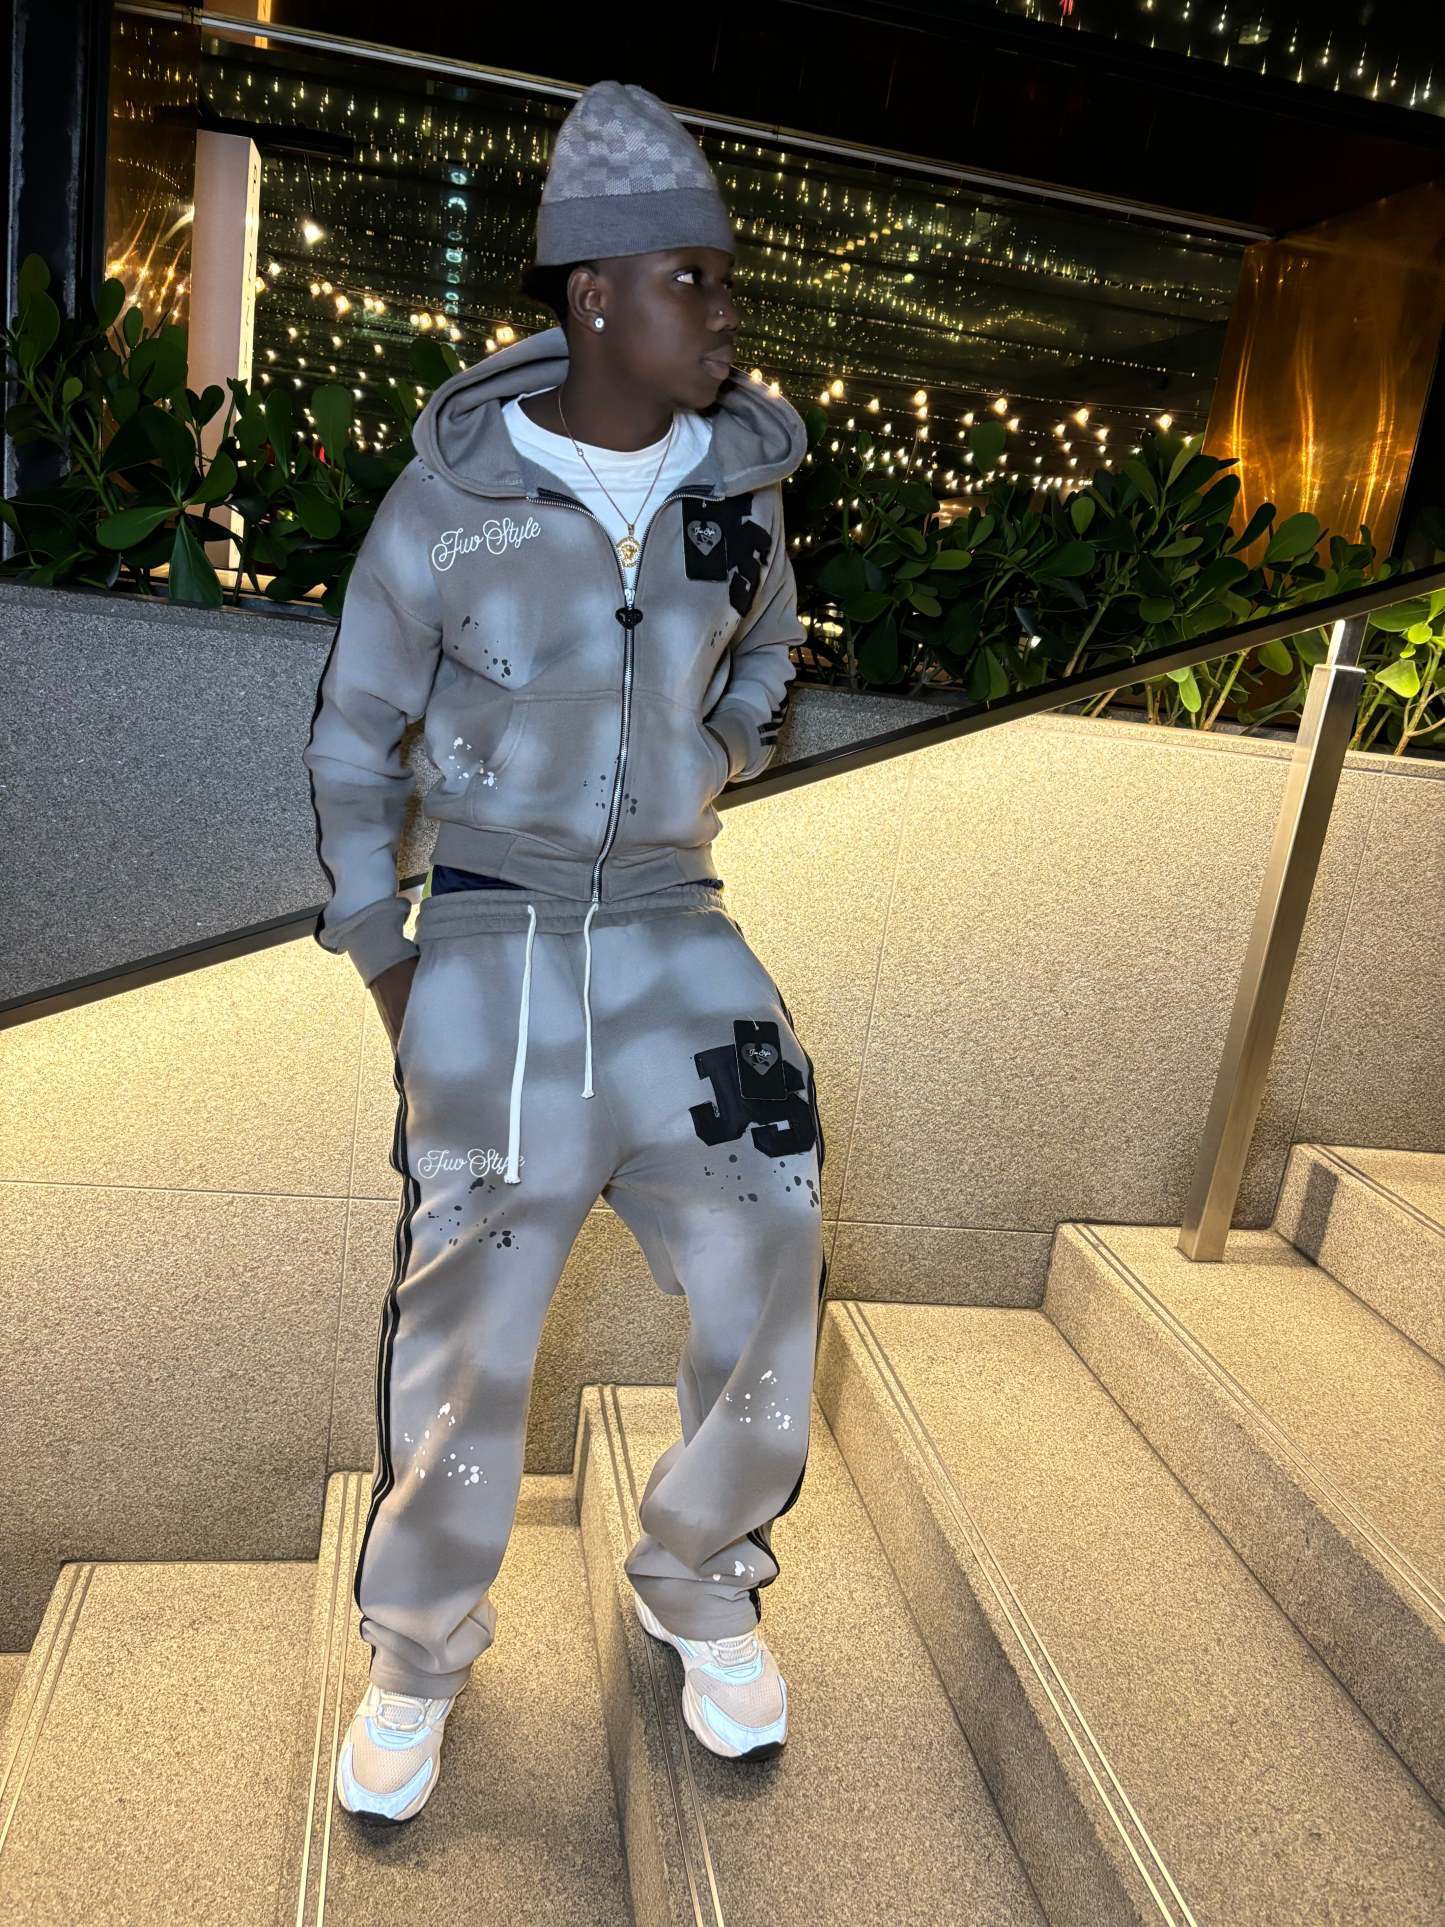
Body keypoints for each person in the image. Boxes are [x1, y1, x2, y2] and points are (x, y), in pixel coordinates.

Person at [302, 78, 828, 1828]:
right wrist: (384, 951)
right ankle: (417, 1654)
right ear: (595, 294)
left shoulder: (739, 489)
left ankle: (698, 1579)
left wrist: (719, 750)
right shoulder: (447, 501)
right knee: (469, 1311)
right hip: (495, 935)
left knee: (772, 1226)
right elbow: (353, 734)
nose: (725, 312)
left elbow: (770, 648)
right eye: (693, 279)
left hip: (680, 928)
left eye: (725, 278)